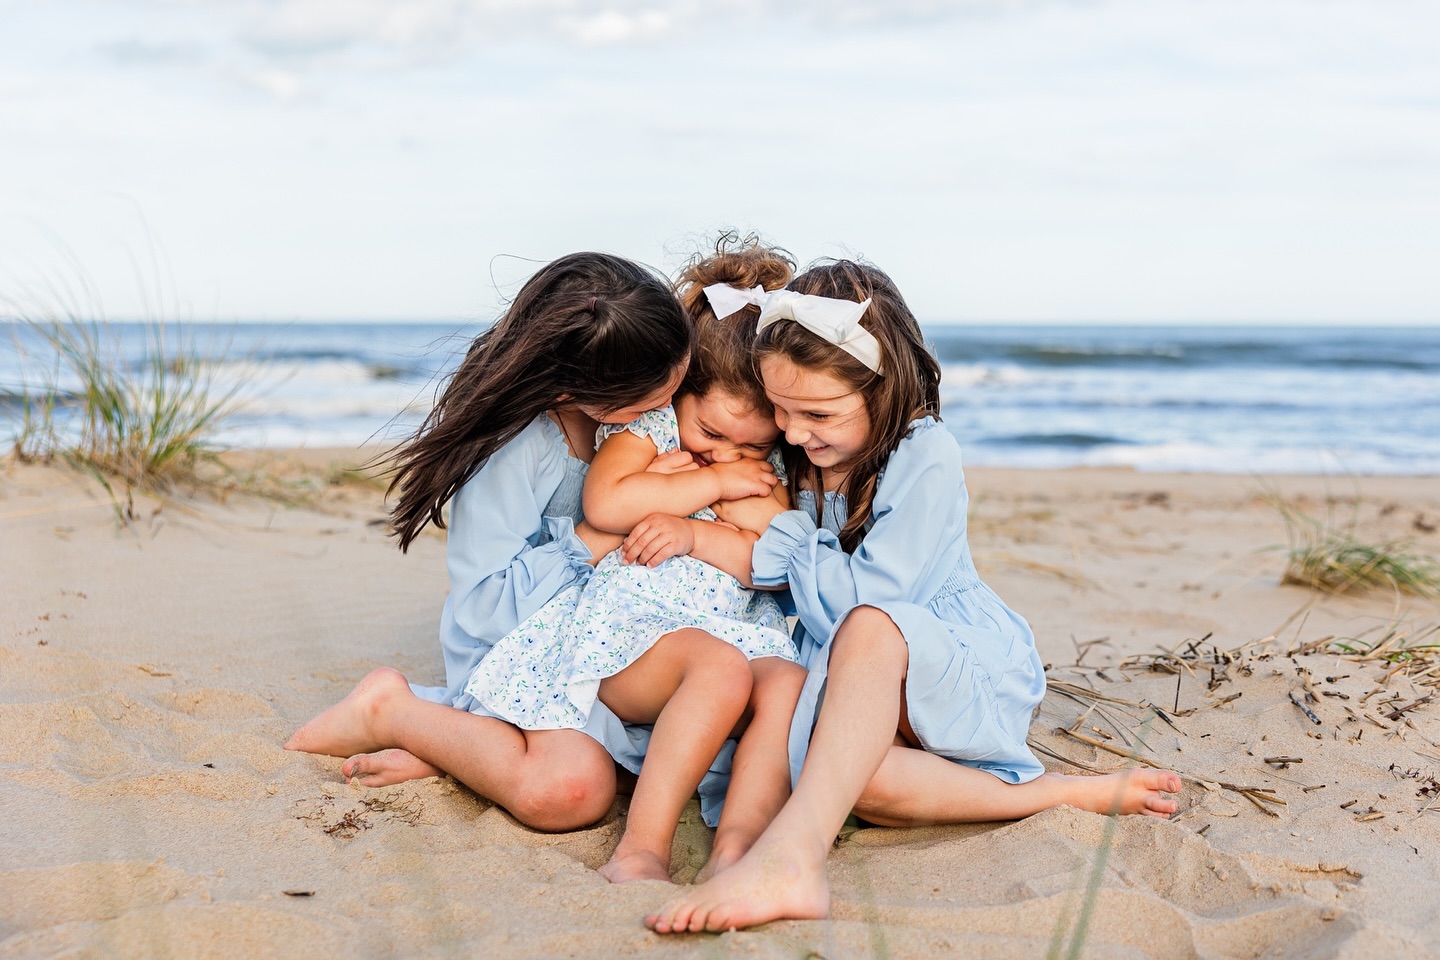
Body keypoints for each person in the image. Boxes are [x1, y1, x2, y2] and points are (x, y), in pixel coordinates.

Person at [647, 260, 1182, 933]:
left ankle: (793, 860)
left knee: (869, 628)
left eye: (817, 413)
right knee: (852, 780)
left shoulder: (924, 455)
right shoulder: (803, 453)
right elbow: (754, 553)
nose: (791, 432)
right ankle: (1063, 793)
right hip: (860, 689)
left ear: (884, 386)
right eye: (780, 409)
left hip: (944, 661)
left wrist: (783, 535)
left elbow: (863, 605)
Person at [284, 251, 702, 831]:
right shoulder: (518, 449)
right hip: (517, 650)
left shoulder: (633, 414)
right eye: (652, 396)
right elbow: (482, 607)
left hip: (604, 636)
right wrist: (595, 537)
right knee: (571, 791)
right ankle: (393, 711)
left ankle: (459, 754)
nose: (669, 404)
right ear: (574, 388)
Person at [465, 236, 807, 884]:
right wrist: (703, 491)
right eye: (712, 433)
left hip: (728, 630)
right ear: (677, 393)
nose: (726, 456)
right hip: (630, 633)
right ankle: (641, 850)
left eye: (752, 446)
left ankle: (736, 844)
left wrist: (701, 534)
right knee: (721, 671)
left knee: (784, 683)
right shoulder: (651, 433)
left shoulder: (761, 468)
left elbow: (772, 553)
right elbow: (607, 501)